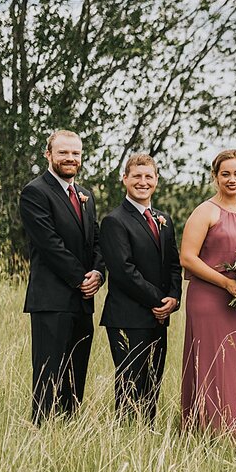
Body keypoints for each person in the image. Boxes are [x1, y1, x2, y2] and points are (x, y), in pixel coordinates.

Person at [20, 129, 105, 424]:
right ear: (48, 155)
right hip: (51, 300)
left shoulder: (85, 195)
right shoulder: (35, 192)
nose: (70, 158)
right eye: (63, 152)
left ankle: (68, 434)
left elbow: (96, 240)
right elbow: (49, 244)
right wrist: (81, 278)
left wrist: (97, 272)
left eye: (76, 153)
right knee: (48, 376)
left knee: (74, 376)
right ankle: (40, 435)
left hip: (83, 301)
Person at [179, 150, 236, 433]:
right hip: (210, 299)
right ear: (215, 177)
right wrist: (226, 283)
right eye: (225, 174)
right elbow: (188, 257)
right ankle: (209, 429)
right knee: (215, 364)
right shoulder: (205, 211)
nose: (232, 179)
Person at [99, 154, 182, 422]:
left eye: (148, 176)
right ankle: (125, 438)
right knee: (130, 385)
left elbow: (173, 264)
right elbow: (124, 272)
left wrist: (174, 297)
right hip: (128, 316)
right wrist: (159, 301)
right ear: (125, 179)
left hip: (159, 317)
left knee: (152, 384)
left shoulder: (164, 220)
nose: (143, 182)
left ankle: (146, 437)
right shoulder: (115, 221)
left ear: (156, 180)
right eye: (137, 176)